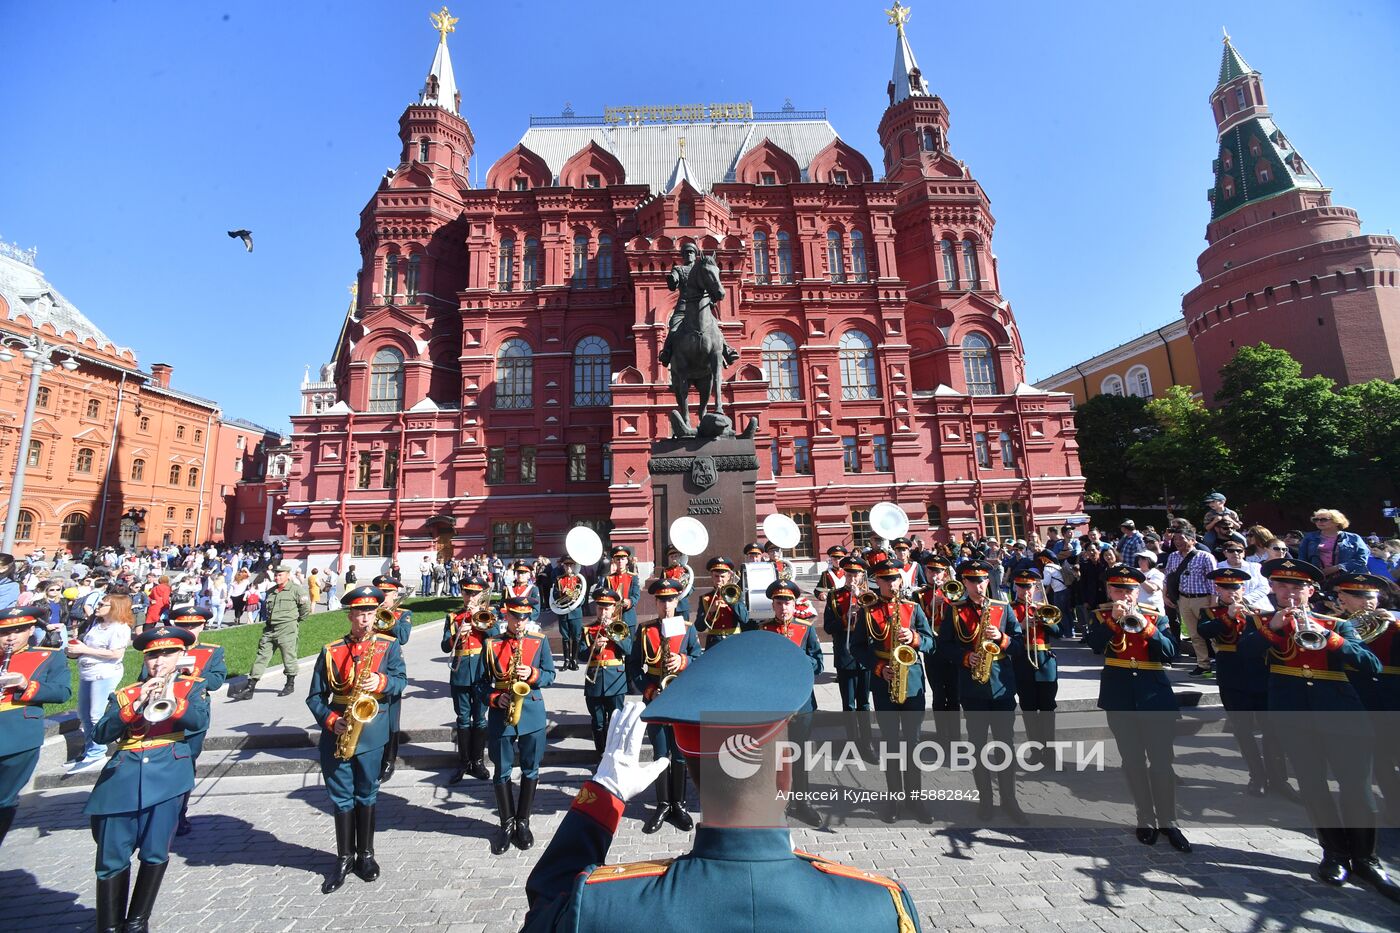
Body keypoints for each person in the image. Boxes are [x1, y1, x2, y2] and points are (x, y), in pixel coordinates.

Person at [521, 633, 922, 932]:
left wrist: (604, 794)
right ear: (785, 771)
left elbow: (543, 914)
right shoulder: (880, 907)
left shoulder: (600, 905)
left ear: (693, 771)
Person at [1239, 559, 1397, 897]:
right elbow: (1245, 655)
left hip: (1342, 716)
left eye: (1298, 587)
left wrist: (1330, 638)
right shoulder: (1261, 623)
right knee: (1313, 787)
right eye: (1282, 586)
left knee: (1358, 790)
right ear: (1272, 589)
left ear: (1311, 591)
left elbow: (1371, 665)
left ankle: (1367, 859)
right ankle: (1334, 853)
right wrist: (1276, 629)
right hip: (1293, 716)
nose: (1290, 592)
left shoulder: (1337, 624)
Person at [85, 625, 209, 931]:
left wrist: (172, 699)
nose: (159, 661)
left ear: (181, 655)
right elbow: (101, 734)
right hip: (122, 780)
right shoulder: (125, 693)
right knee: (112, 857)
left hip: (168, 778)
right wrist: (134, 707)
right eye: (153, 655)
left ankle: (138, 920)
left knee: (155, 852)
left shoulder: (191, 688)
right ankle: (109, 925)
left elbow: (199, 722)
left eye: (168, 654)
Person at [306, 586, 407, 895]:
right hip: (338, 731)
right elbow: (315, 697)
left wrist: (382, 681)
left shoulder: (387, 646)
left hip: (371, 733)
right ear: (349, 614)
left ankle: (366, 855)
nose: (365, 618)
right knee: (340, 798)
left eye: (370, 612)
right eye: (360, 613)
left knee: (367, 794)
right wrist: (331, 720)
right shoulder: (331, 650)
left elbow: (401, 680)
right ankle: (343, 858)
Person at [1085, 565, 1190, 852]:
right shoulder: (1100, 616)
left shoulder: (1155, 616)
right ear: (1109, 591)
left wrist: (1145, 626)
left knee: (1162, 762)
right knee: (1132, 761)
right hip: (1119, 697)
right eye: (1118, 589)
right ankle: (1145, 817)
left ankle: (1169, 821)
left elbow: (1170, 652)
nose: (1125, 595)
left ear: (1138, 591)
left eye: (1130, 589)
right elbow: (1094, 645)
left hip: (1154, 697)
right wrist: (1113, 622)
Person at [939, 559, 1024, 824]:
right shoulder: (954, 610)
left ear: (989, 580)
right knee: (978, 747)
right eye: (973, 580)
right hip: (973, 687)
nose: (978, 585)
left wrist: (1002, 639)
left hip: (1001, 686)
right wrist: (966, 658)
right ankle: (985, 800)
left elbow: (1019, 645)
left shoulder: (1002, 607)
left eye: (982, 579)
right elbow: (944, 647)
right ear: (964, 582)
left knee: (1005, 746)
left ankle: (1010, 800)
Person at [850, 560, 934, 823]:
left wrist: (916, 639)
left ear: (901, 580)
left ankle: (916, 799)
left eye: (894, 578)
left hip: (912, 682)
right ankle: (895, 800)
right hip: (883, 681)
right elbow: (857, 648)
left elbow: (931, 643)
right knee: (890, 743)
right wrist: (877, 668)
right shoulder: (868, 610)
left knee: (913, 742)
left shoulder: (913, 608)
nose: (890, 583)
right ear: (878, 582)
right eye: (885, 579)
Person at [1197, 569, 1289, 798]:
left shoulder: (1257, 613)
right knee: (1243, 729)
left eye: (1235, 588)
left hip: (1261, 673)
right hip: (1232, 675)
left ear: (1243, 589)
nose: (1231, 592)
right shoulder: (1209, 612)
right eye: (1225, 588)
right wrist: (1227, 616)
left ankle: (1279, 779)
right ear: (1217, 590)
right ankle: (1256, 775)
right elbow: (1204, 631)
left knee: (1272, 730)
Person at [480, 596, 556, 854]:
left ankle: (523, 822)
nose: (520, 622)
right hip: (501, 715)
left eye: (524, 617)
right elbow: (479, 685)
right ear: (507, 616)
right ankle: (506, 824)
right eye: (516, 616)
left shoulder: (539, 641)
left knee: (530, 770)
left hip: (532, 712)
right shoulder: (491, 644)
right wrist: (493, 698)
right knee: (501, 771)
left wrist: (533, 675)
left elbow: (550, 675)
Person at [145, 605, 227, 835]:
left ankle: (179, 814)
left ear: (203, 626)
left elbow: (216, 681)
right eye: (183, 625)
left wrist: (195, 672)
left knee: (185, 765)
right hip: (158, 719)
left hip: (191, 716)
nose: (189, 629)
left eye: (194, 625)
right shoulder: (159, 652)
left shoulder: (212, 652)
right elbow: (142, 677)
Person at [628, 577, 701, 833]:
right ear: (656, 602)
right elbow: (634, 665)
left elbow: (697, 658)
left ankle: (679, 804)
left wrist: (682, 661)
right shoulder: (645, 630)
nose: (666, 605)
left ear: (677, 601)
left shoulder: (688, 628)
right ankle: (662, 805)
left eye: (670, 600)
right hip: (656, 700)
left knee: (680, 755)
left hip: (680, 701)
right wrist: (649, 690)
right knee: (660, 754)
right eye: (662, 600)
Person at [0, 605, 73, 847]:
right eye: (5, 632)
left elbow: (63, 692)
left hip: (17, 736)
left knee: (4, 799)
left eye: (19, 630)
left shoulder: (48, 656)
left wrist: (25, 685)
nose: (11, 637)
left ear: (31, 629)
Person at [754, 579, 823, 826]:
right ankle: (779, 802)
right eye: (779, 602)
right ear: (773, 605)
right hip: (773, 706)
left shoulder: (805, 629)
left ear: (796, 605)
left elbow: (819, 663)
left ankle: (802, 803)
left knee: (800, 754)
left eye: (788, 602)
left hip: (802, 704)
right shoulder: (763, 631)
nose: (784, 607)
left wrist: (800, 662)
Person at [1333, 573, 1400, 820]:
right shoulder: (1335, 624)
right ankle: (1393, 807)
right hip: (1358, 696)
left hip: (1393, 696)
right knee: (1379, 758)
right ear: (1342, 598)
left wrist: (1395, 624)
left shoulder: (1393, 621)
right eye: (1359, 596)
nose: (1367, 602)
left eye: (1371, 596)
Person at [66, 593, 134, 772]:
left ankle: (97, 752)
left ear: (115, 609)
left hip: (104, 674)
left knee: (96, 714)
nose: (98, 606)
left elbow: (116, 654)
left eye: (103, 604)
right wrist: (75, 650)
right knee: (84, 713)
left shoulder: (119, 628)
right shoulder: (96, 624)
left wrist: (84, 649)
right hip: (87, 672)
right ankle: (89, 749)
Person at [822, 555, 878, 762]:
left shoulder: (871, 596)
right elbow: (828, 627)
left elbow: (878, 626)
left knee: (864, 703)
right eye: (849, 574)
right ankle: (852, 741)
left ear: (862, 575)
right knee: (849, 703)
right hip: (845, 654)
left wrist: (863, 607)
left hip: (865, 655)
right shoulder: (835, 597)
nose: (852, 578)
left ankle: (867, 742)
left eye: (856, 574)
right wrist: (846, 617)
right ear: (844, 574)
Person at [442, 578, 497, 783]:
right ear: (463, 594)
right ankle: (464, 762)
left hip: (481, 671)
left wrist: (479, 620)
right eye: (467, 593)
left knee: (480, 718)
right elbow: (445, 647)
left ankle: (478, 761)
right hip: (460, 673)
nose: (471, 597)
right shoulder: (453, 616)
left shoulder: (488, 614)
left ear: (481, 595)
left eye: (475, 594)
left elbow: (496, 635)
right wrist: (455, 636)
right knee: (463, 718)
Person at [231, 563, 310, 700]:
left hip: (287, 628)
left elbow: (305, 610)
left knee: (288, 656)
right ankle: (250, 687)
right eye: (275, 574)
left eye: (280, 575)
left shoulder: (297, 590)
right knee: (261, 655)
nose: (277, 577)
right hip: (270, 629)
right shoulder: (271, 591)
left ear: (287, 575)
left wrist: (293, 621)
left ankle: (290, 684)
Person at [658, 242, 739, 368]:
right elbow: (673, 284)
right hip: (683, 309)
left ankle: (726, 350)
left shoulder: (702, 268)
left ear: (695, 255)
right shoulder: (679, 269)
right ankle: (667, 353)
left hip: (701, 308)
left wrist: (712, 299)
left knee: (715, 328)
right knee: (673, 329)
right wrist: (672, 279)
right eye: (686, 252)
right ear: (683, 255)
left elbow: (710, 285)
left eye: (691, 252)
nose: (689, 254)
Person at [1009, 567, 1060, 764]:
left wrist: (1043, 619)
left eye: (1029, 586)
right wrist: (1021, 625)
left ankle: (1051, 753)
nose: (1025, 591)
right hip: (1022, 660)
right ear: (1016, 587)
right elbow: (1005, 634)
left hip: (1045, 661)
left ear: (1035, 587)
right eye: (1021, 587)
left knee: (1048, 708)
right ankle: (1036, 751)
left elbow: (1058, 632)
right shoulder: (1010, 608)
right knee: (1028, 708)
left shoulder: (1043, 606)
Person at [579, 587, 633, 758]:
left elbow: (629, 649)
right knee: (598, 722)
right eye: (600, 607)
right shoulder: (587, 629)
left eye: (607, 608)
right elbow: (580, 655)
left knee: (616, 720)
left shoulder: (621, 627)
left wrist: (613, 634)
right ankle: (601, 755)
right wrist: (594, 649)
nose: (603, 611)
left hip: (615, 679)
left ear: (613, 609)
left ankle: (615, 755)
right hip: (594, 680)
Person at [915, 552, 961, 746]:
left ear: (945, 573)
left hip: (953, 646)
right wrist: (930, 607)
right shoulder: (919, 595)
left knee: (955, 693)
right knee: (939, 694)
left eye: (938, 571)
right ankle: (942, 736)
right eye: (930, 570)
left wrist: (949, 602)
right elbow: (916, 623)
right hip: (934, 649)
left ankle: (955, 736)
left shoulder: (955, 591)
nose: (934, 574)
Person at [370, 576, 412, 780]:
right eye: (380, 592)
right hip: (370, 663)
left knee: (391, 717)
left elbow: (403, 636)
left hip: (390, 664)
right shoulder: (368, 612)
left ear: (395, 594)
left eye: (386, 593)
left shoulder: (403, 614)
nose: (383, 596)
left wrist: (389, 618)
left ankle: (389, 760)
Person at [1162, 526, 1216, 677]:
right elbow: (1168, 577)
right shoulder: (1173, 556)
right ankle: (1203, 664)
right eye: (1176, 539)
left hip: (1203, 599)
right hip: (1184, 599)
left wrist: (1213, 603)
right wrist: (1165, 596)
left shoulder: (1205, 556)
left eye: (1182, 539)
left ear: (1192, 540)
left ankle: (1222, 662)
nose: (1178, 542)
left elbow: (1212, 583)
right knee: (1194, 634)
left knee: (1212, 633)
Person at [1299, 509, 1372, 582]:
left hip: (1347, 578)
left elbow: (1361, 559)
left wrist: (1338, 567)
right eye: (1316, 519)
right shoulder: (1309, 537)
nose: (1319, 522)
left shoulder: (1354, 538)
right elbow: (1302, 559)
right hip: (1316, 578)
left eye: (1324, 519)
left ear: (1336, 522)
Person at [694, 556, 748, 647]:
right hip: (714, 641)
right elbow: (699, 627)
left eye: (722, 576)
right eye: (716, 576)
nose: (719, 580)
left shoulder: (737, 594)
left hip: (734, 639)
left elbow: (744, 619)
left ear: (729, 576)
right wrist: (711, 611)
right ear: (711, 576)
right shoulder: (705, 598)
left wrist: (731, 601)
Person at [552, 557, 587, 670]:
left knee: (576, 636)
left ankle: (574, 660)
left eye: (571, 565)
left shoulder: (579, 579)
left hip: (576, 612)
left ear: (574, 566)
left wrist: (574, 599)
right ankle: (566, 661)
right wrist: (563, 593)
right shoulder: (559, 580)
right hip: (563, 612)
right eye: (566, 565)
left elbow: (582, 597)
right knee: (565, 636)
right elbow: (555, 596)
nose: (568, 567)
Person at [604, 547, 640, 629]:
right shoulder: (609, 578)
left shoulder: (633, 577)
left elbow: (636, 595)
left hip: (628, 617)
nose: (620, 561)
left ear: (627, 561)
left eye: (623, 559)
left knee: (630, 641)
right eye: (618, 559)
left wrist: (629, 602)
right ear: (614, 561)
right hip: (613, 617)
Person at [659, 548, 693, 621]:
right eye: (671, 557)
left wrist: (684, 593)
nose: (674, 559)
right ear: (669, 558)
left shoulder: (685, 570)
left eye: (676, 556)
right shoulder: (665, 571)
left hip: (682, 604)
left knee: (684, 628)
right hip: (669, 605)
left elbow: (691, 587)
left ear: (679, 557)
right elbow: (660, 587)